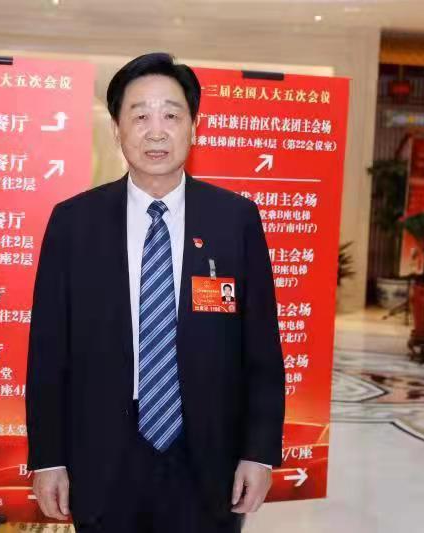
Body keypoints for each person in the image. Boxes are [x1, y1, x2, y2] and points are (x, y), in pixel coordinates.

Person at [26, 53, 284, 533]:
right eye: (140, 116)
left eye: (171, 115)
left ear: (194, 127)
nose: (156, 131)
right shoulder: (73, 223)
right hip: (103, 457)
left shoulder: (236, 220)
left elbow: (262, 351)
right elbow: (47, 354)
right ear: (116, 130)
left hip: (209, 459)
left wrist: (259, 452)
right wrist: (48, 458)